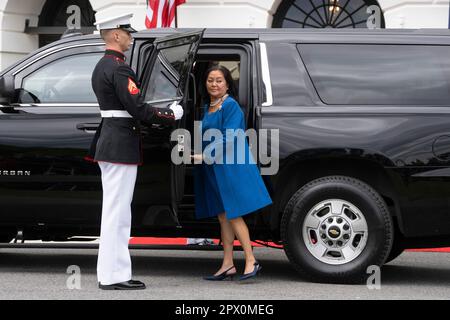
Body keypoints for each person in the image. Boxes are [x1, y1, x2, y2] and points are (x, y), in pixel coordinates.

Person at [86, 13, 184, 290]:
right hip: (119, 146)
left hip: (112, 143)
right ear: (115, 35)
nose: (131, 37)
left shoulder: (102, 66)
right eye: (127, 33)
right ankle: (113, 276)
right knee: (117, 213)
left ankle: (113, 272)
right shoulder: (118, 68)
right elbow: (138, 109)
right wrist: (170, 114)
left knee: (115, 212)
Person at [192, 65, 272, 281]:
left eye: (219, 80)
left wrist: (204, 155)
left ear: (227, 84)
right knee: (223, 217)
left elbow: (231, 136)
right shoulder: (209, 106)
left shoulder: (230, 106)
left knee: (234, 214)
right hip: (214, 168)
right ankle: (228, 264)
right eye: (210, 80)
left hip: (230, 166)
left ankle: (250, 260)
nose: (214, 84)